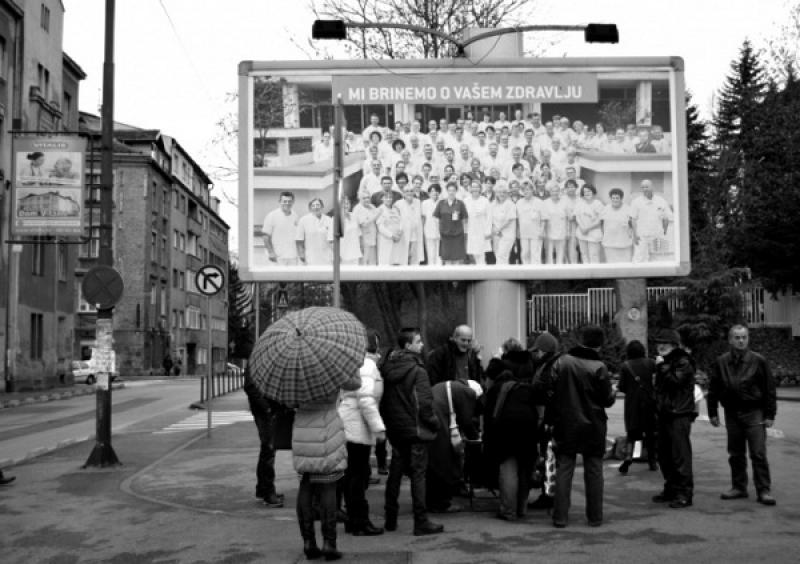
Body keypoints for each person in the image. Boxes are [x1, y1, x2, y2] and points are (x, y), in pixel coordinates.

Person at [543, 325, 615, 528]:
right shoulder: (599, 367)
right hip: (594, 424)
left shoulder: (562, 362)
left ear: (581, 340)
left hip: (566, 422)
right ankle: (595, 517)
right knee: (594, 470)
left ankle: (560, 517)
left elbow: (551, 390)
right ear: (599, 345)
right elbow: (607, 399)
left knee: (564, 468)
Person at [380, 328, 443, 536]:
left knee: (395, 474)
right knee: (418, 475)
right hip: (415, 430)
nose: (422, 344)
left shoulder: (387, 368)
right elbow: (425, 405)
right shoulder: (418, 371)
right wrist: (435, 423)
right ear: (408, 346)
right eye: (418, 341)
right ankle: (421, 521)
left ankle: (390, 518)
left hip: (396, 429)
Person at [293, 371, 361, 560]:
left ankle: (308, 542)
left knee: (305, 483)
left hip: (302, 430)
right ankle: (329, 543)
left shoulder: (295, 368)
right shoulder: (330, 365)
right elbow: (355, 383)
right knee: (328, 484)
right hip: (327, 428)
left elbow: (288, 402)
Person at [707, 325, 777, 506]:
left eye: (744, 337)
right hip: (732, 413)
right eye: (737, 337)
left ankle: (764, 490)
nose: (740, 340)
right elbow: (713, 388)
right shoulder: (721, 361)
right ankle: (739, 487)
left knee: (758, 453)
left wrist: (770, 414)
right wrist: (712, 412)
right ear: (730, 340)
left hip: (754, 412)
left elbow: (769, 388)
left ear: (748, 339)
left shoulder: (759, 361)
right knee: (735, 453)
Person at [483, 339, 540, 521]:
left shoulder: (497, 387)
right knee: (525, 467)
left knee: (508, 467)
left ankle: (508, 510)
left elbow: (489, 414)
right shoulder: (529, 375)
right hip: (529, 424)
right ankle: (522, 508)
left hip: (506, 427)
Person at [338, 329, 387, 535]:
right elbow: (365, 399)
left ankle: (353, 520)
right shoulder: (367, 365)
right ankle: (359, 522)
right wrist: (379, 428)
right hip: (356, 427)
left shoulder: (351, 362)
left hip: (349, 425)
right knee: (358, 477)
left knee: (352, 477)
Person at [651, 328, 696, 509]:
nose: (660, 346)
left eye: (665, 343)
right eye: (659, 343)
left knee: (680, 455)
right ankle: (671, 488)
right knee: (664, 455)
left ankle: (684, 493)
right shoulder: (666, 362)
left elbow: (676, 382)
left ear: (675, 345)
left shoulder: (683, 362)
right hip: (665, 414)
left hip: (679, 414)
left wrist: (662, 367)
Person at [426, 376, 480, 514]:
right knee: (444, 459)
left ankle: (431, 500)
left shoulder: (451, 385)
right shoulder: (468, 392)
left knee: (433, 462)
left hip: (429, 418)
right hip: (438, 420)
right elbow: (466, 420)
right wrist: (476, 438)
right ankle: (441, 503)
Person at [244, 369, 285, 508]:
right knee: (269, 449)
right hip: (264, 411)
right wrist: (266, 408)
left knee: (267, 449)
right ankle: (268, 493)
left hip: (266, 409)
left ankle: (262, 489)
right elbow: (250, 386)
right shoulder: (257, 357)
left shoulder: (261, 355)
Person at [617, 340, 658, 474]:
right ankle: (652, 461)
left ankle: (629, 456)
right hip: (648, 402)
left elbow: (622, 387)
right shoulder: (650, 363)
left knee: (632, 432)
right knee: (650, 432)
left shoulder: (625, 365)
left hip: (632, 403)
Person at [631, 179, 673, 263]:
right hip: (641, 236)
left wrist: (664, 231)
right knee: (639, 258)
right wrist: (635, 235)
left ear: (652, 187)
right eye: (642, 187)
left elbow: (666, 218)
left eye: (646, 187)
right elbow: (633, 219)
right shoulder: (636, 201)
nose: (644, 189)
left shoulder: (661, 200)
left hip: (657, 235)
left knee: (657, 258)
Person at [433, 182, 468, 265]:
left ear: (456, 191)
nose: (451, 192)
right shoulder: (441, 203)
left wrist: (462, 230)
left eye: (453, 190)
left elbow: (465, 219)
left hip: (458, 235)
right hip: (445, 235)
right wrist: (439, 231)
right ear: (446, 191)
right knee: (447, 258)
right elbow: (436, 218)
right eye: (449, 190)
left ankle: (457, 277)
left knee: (457, 258)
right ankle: (449, 277)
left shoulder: (460, 203)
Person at [262, 191, 300, 265]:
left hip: (292, 256)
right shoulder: (272, 216)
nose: (287, 203)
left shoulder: (295, 216)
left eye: (289, 201)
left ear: (293, 202)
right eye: (284, 201)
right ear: (279, 202)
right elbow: (265, 236)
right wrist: (271, 252)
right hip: (277, 257)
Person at [296, 198, 333, 266]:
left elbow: (332, 241)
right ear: (310, 208)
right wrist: (301, 254)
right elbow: (299, 240)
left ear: (322, 207)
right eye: (313, 206)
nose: (316, 207)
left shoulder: (329, 220)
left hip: (326, 257)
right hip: (311, 257)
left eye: (318, 205)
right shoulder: (303, 220)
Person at [601, 188, 634, 263]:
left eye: (617, 198)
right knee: (611, 265)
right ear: (610, 198)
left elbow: (632, 224)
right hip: (609, 243)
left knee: (625, 265)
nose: (615, 200)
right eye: (613, 198)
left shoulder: (628, 209)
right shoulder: (606, 209)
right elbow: (601, 223)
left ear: (621, 198)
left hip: (624, 243)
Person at [574, 184, 604, 264]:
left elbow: (599, 220)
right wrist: (582, 228)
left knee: (594, 255)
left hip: (594, 232)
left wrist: (588, 228)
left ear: (593, 192)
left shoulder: (598, 204)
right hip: (582, 232)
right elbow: (577, 217)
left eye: (589, 191)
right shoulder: (579, 203)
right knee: (584, 254)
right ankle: (586, 274)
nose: (587, 193)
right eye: (585, 192)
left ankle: (595, 274)